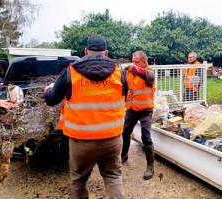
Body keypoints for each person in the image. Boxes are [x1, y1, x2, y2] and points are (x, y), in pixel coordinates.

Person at [44, 35, 128, 199]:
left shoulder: (70, 73)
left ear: (85, 51)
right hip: (112, 139)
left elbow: (51, 100)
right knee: (113, 177)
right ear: (106, 52)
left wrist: (49, 89)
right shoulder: (119, 73)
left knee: (79, 180)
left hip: (81, 143)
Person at [121, 51, 156, 180]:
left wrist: (136, 69)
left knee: (146, 137)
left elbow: (149, 77)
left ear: (144, 63)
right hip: (131, 108)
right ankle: (124, 155)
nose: (133, 64)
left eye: (136, 62)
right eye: (133, 61)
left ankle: (150, 167)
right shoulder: (129, 72)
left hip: (145, 110)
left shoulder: (149, 71)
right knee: (125, 132)